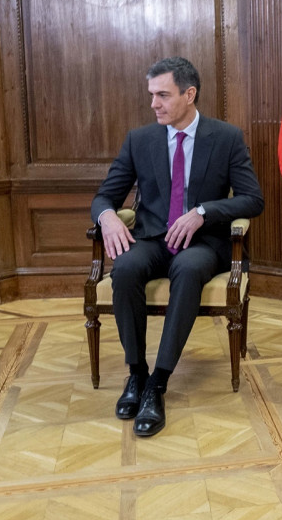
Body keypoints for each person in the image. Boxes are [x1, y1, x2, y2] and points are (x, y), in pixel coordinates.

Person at [92, 57, 264, 437]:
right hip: (153, 238)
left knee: (188, 269)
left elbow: (253, 199)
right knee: (125, 268)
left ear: (189, 94)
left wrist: (203, 212)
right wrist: (107, 218)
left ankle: (158, 383)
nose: (153, 104)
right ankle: (137, 373)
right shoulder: (140, 140)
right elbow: (105, 196)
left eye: (163, 95)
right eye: (151, 94)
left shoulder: (226, 137)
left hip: (204, 243)